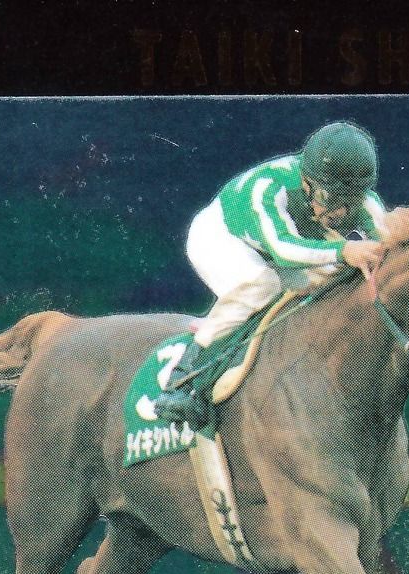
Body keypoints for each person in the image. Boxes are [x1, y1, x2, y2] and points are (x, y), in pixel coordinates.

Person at [153, 121, 387, 427]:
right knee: (261, 284)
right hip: (221, 238)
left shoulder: (368, 204)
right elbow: (283, 250)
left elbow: (389, 251)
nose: (341, 212)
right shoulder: (269, 187)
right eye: (330, 198)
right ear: (307, 182)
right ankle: (183, 379)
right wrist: (345, 250)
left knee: (336, 280)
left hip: (280, 250)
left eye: (351, 201)